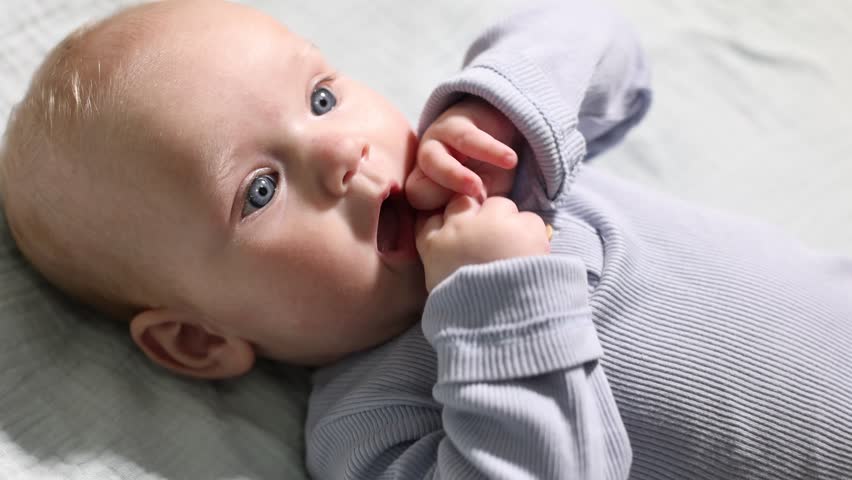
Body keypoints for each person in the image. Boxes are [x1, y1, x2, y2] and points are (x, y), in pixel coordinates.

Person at [0, 0, 849, 479]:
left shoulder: (507, 163)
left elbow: (608, 49)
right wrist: (500, 302)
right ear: (199, 338)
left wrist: (499, 106)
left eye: (323, 98)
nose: (342, 152)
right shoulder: (372, 419)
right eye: (258, 190)